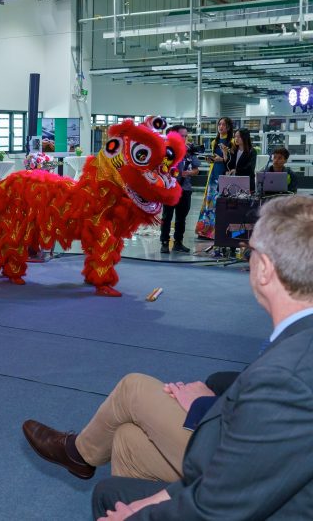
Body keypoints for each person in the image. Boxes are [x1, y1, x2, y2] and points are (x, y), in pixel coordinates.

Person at [91, 194, 313, 520]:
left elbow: (220, 505)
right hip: (251, 474)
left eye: (250, 251)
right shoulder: (297, 343)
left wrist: (136, 516)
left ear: (264, 269)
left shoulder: (285, 378)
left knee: (110, 491)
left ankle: (80, 456)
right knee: (126, 440)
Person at [22, 369, 238, 484]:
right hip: (238, 446)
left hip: (236, 459)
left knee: (132, 388)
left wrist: (209, 405)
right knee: (127, 440)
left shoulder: (274, 352)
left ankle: (77, 453)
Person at [160, 124, 198, 255]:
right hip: (170, 188)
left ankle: (178, 242)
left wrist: (190, 173)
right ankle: (165, 242)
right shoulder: (167, 150)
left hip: (185, 188)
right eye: (182, 135)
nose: (184, 138)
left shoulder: (189, 150)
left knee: (182, 218)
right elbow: (161, 168)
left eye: (186, 136)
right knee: (167, 216)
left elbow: (196, 169)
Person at [195, 117, 233, 239]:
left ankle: (217, 232)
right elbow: (215, 157)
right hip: (213, 173)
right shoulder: (214, 142)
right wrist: (211, 159)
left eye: (223, 124)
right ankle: (205, 231)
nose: (221, 127)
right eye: (219, 124)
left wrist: (221, 159)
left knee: (219, 203)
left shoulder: (232, 142)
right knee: (209, 203)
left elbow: (231, 161)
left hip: (224, 174)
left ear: (228, 127)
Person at [224, 128, 256, 192]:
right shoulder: (233, 150)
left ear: (245, 137)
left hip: (246, 183)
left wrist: (236, 171)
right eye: (235, 136)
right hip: (234, 182)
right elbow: (229, 165)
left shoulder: (252, 151)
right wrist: (224, 153)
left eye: (239, 137)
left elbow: (250, 168)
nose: (236, 139)